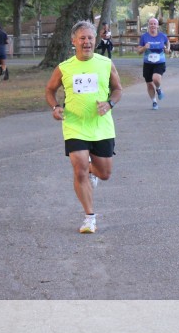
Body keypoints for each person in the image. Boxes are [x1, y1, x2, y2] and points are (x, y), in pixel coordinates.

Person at [45, 21, 123, 234]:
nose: (86, 42)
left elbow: (118, 89)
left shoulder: (106, 63)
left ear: (95, 40)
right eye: (82, 38)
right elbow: (50, 90)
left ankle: (92, 169)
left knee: (105, 174)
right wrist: (55, 107)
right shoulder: (64, 67)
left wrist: (109, 103)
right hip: (75, 125)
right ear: (74, 41)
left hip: (101, 126)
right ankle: (89, 217)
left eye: (90, 38)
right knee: (78, 169)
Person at [136, 17, 169, 110]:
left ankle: (158, 88)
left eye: (154, 24)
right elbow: (138, 52)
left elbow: (168, 42)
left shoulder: (162, 36)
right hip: (148, 63)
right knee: (149, 84)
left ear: (157, 26)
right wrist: (144, 48)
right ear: (148, 26)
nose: (153, 25)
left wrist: (167, 49)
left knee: (156, 78)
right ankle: (154, 102)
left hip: (160, 62)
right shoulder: (144, 37)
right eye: (151, 24)